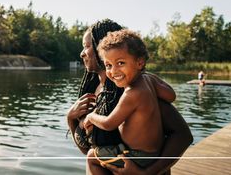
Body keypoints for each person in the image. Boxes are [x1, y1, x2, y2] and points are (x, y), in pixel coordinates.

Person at [66, 19, 193, 174]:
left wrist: (148, 173)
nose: (82, 53)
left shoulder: (136, 89)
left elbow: (183, 136)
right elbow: (89, 150)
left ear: (102, 46)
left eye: (86, 46)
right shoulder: (92, 92)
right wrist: (71, 119)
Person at [84, 29, 176, 173]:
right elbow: (171, 95)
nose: (113, 71)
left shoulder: (132, 93)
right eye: (108, 65)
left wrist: (91, 116)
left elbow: (109, 123)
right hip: (155, 153)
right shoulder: (149, 79)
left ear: (139, 63)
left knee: (91, 157)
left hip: (138, 157)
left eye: (120, 63)